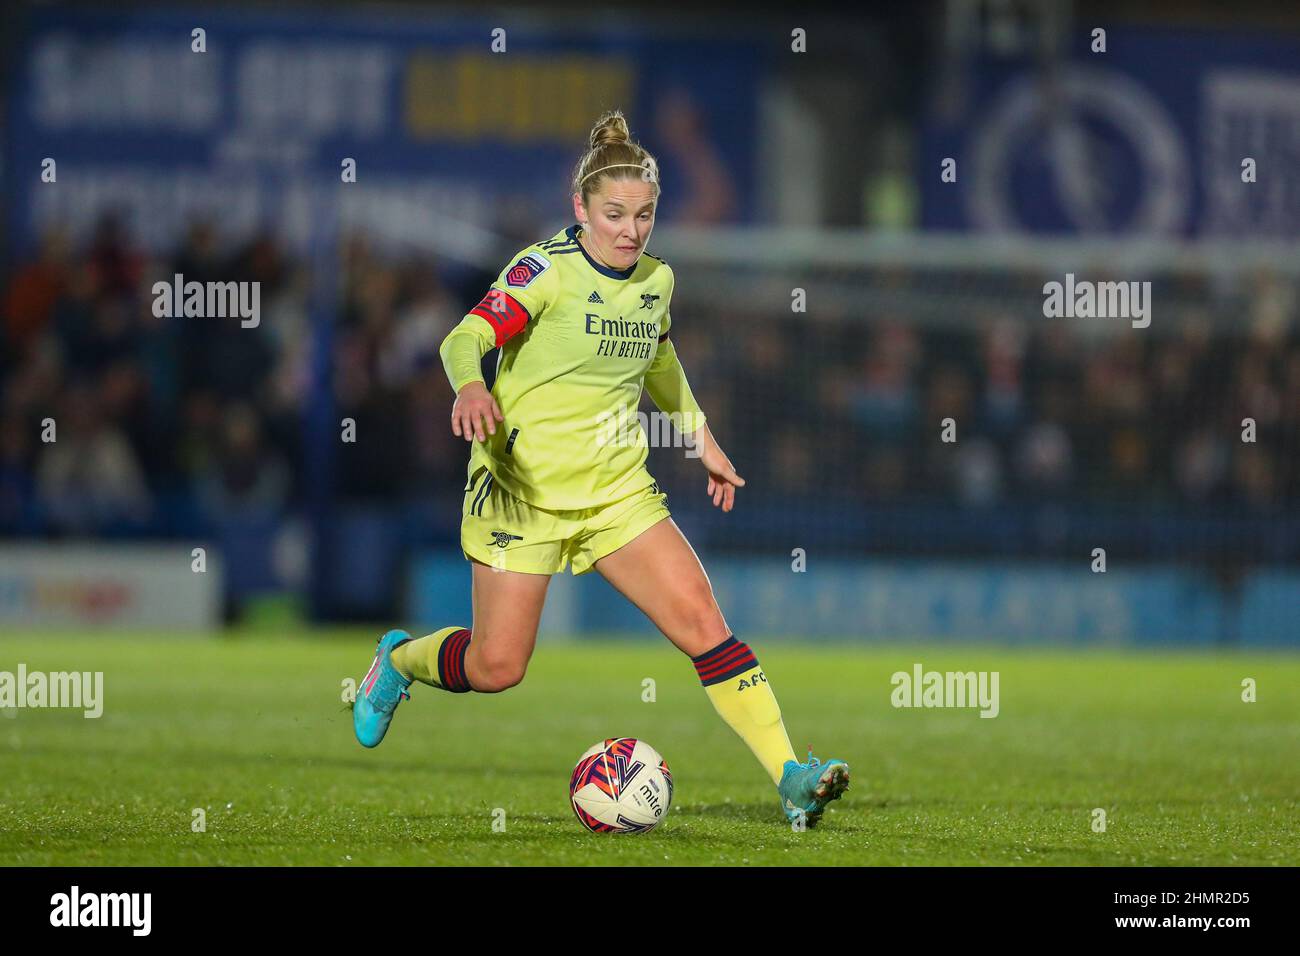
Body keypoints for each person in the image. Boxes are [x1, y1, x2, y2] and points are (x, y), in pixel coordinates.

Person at [352, 110, 848, 825]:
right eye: (614, 213)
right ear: (580, 207)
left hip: (617, 492)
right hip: (521, 491)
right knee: (498, 667)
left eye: (644, 215)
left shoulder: (656, 281)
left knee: (704, 624)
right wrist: (470, 384)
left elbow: (660, 359)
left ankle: (791, 778)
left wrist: (700, 437)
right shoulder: (544, 271)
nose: (630, 230)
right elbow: (466, 335)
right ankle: (399, 662)